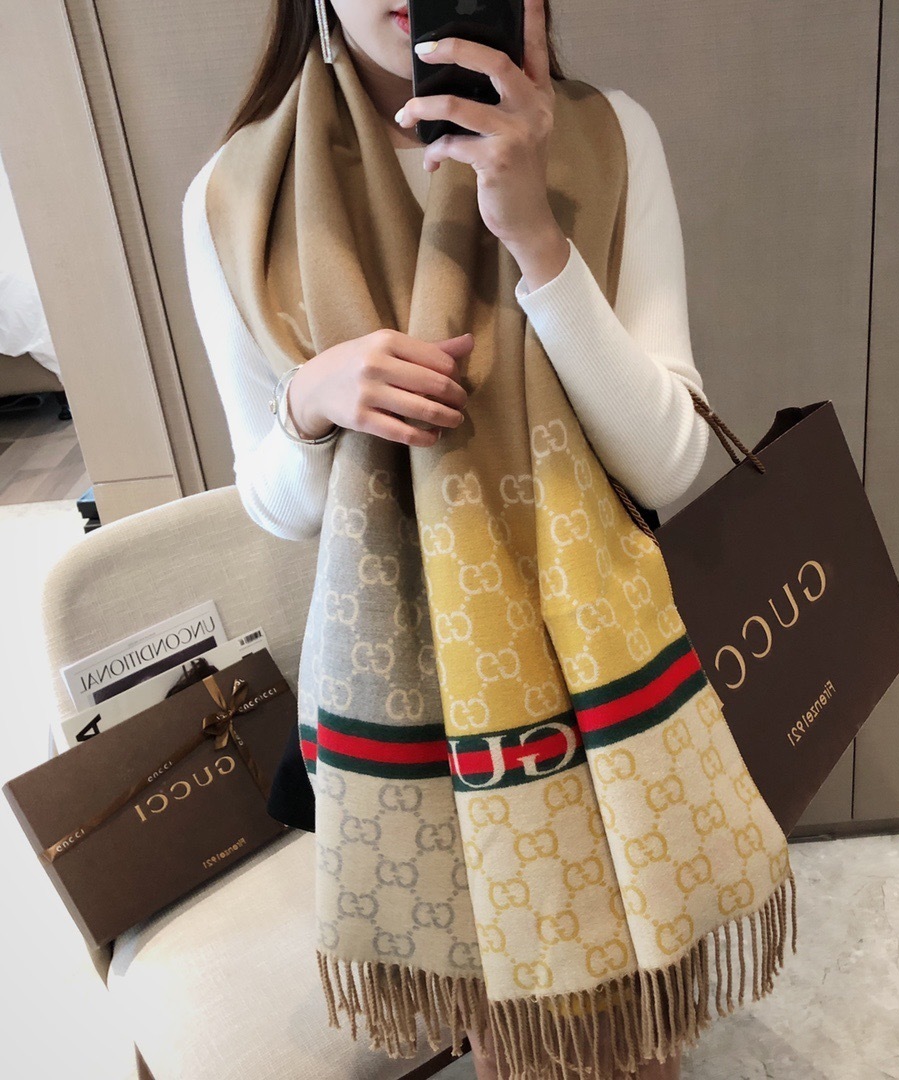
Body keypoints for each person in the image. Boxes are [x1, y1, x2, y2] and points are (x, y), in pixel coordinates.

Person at [182, 2, 710, 1077]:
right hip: (402, 691)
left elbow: (669, 463)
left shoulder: (608, 137)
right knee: (507, 1028)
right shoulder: (237, 196)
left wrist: (537, 237)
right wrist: (309, 403)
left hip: (597, 667)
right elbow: (276, 507)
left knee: (625, 1025)